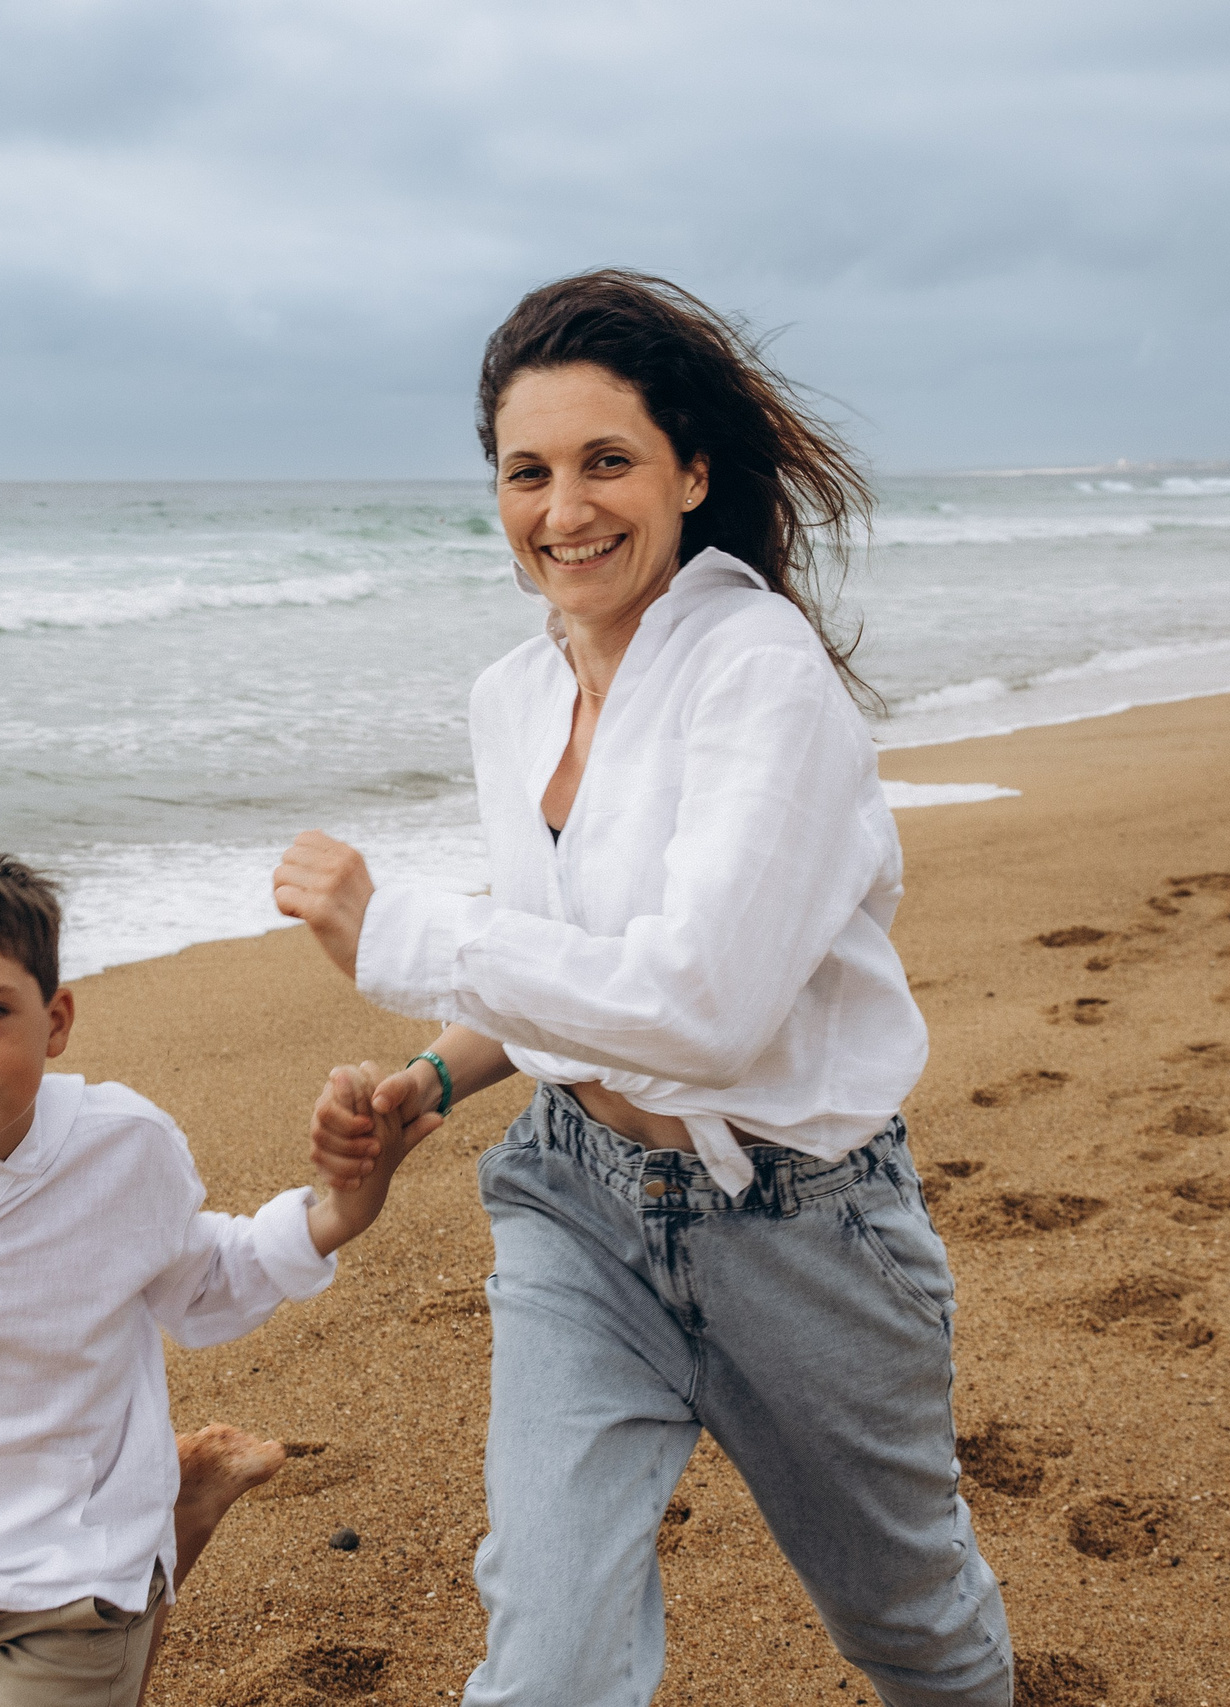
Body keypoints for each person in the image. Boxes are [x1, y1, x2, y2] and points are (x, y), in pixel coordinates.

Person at [272, 270, 1012, 1707]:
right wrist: (433, 1077)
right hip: (578, 1202)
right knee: (545, 1660)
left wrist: (395, 931)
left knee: (912, 1630)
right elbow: (567, 946)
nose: (564, 509)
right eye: (526, 472)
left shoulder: (761, 674)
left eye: (606, 461)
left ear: (691, 471)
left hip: (799, 1228)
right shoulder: (513, 694)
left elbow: (699, 1008)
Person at [0, 820, 433, 1705]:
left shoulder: (120, 1148)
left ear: (55, 1020)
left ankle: (166, 1521)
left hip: (81, 1568)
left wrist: (337, 1212)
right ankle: (189, 1500)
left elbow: (203, 1278)